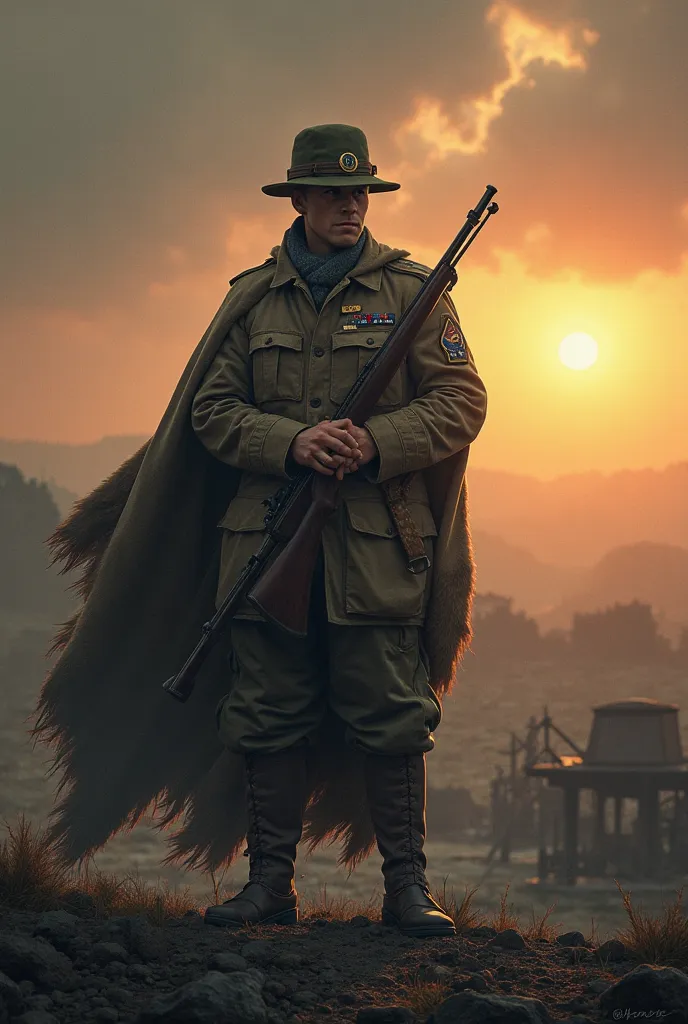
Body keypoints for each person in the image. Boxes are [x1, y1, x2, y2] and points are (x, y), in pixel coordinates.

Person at [192, 123, 488, 935]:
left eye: (361, 192)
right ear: (298, 199)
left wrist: (373, 441)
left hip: (376, 546)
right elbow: (211, 410)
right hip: (269, 541)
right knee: (267, 709)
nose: (350, 205)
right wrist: (289, 441)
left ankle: (407, 891)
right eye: (332, 192)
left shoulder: (414, 292)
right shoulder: (251, 298)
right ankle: (268, 888)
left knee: (393, 712)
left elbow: (463, 400)